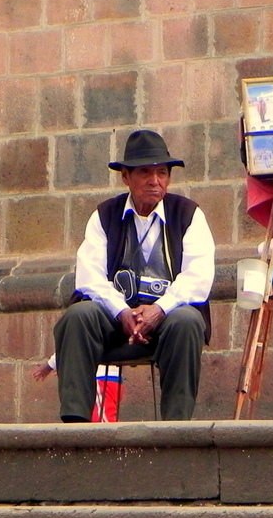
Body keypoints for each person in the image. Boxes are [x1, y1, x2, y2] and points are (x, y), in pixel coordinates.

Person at [51, 129, 215, 422]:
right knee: (78, 316)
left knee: (189, 320)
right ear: (125, 177)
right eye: (144, 172)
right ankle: (75, 424)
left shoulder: (188, 214)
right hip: (114, 321)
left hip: (167, 319)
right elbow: (89, 277)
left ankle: (177, 428)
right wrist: (122, 312)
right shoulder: (105, 215)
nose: (155, 180)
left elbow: (198, 276)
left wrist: (158, 310)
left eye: (162, 173)